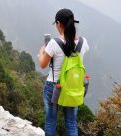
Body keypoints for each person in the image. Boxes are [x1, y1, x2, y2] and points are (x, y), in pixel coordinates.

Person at [38, 8, 89, 136]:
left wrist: (42, 51)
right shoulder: (83, 42)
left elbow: (43, 65)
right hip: (73, 87)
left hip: (54, 87)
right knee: (71, 124)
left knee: (51, 121)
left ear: (59, 24)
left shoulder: (54, 43)